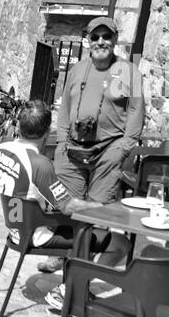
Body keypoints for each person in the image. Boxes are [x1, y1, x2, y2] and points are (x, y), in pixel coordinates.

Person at [0, 100, 128, 313]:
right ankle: (70, 290)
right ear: (47, 132)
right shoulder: (40, 164)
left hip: (15, 227)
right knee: (115, 241)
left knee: (75, 224)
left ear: (19, 126)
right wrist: (101, 207)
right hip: (35, 233)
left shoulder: (2, 148)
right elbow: (68, 207)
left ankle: (72, 282)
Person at [54, 17, 144, 205]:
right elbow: (65, 108)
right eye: (95, 37)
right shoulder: (77, 69)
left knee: (98, 211)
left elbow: (136, 111)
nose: (100, 42)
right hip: (71, 150)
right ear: (88, 40)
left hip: (107, 153)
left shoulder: (130, 71)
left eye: (106, 36)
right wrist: (61, 141)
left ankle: (93, 236)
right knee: (68, 208)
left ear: (115, 38)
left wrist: (123, 148)